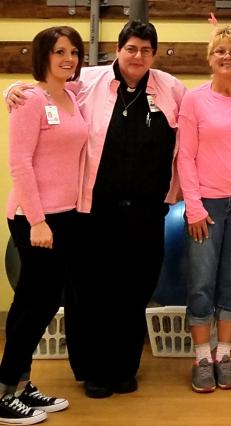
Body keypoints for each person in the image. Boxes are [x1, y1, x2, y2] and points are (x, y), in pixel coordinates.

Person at [4, 20, 187, 399]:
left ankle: (123, 368)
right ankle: (92, 370)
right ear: (118, 49)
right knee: (89, 291)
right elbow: (44, 91)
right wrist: (13, 88)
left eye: (146, 50)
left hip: (147, 212)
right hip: (93, 211)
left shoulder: (172, 88)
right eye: (131, 48)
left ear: (154, 54)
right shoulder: (88, 80)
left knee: (134, 291)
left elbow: (200, 122)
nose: (138, 56)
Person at [0, 25, 84, 425]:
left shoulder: (71, 96)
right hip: (35, 219)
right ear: (43, 56)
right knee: (36, 303)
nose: (68, 58)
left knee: (41, 301)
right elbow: (20, 162)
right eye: (59, 52)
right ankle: (4, 391)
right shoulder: (29, 100)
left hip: (65, 215)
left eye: (73, 52)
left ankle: (20, 381)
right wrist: (37, 220)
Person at [177, 24, 231, 393]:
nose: (226, 56)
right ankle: (201, 357)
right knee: (201, 283)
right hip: (206, 204)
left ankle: (223, 354)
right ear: (209, 58)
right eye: (219, 51)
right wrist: (193, 206)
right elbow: (185, 156)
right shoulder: (194, 100)